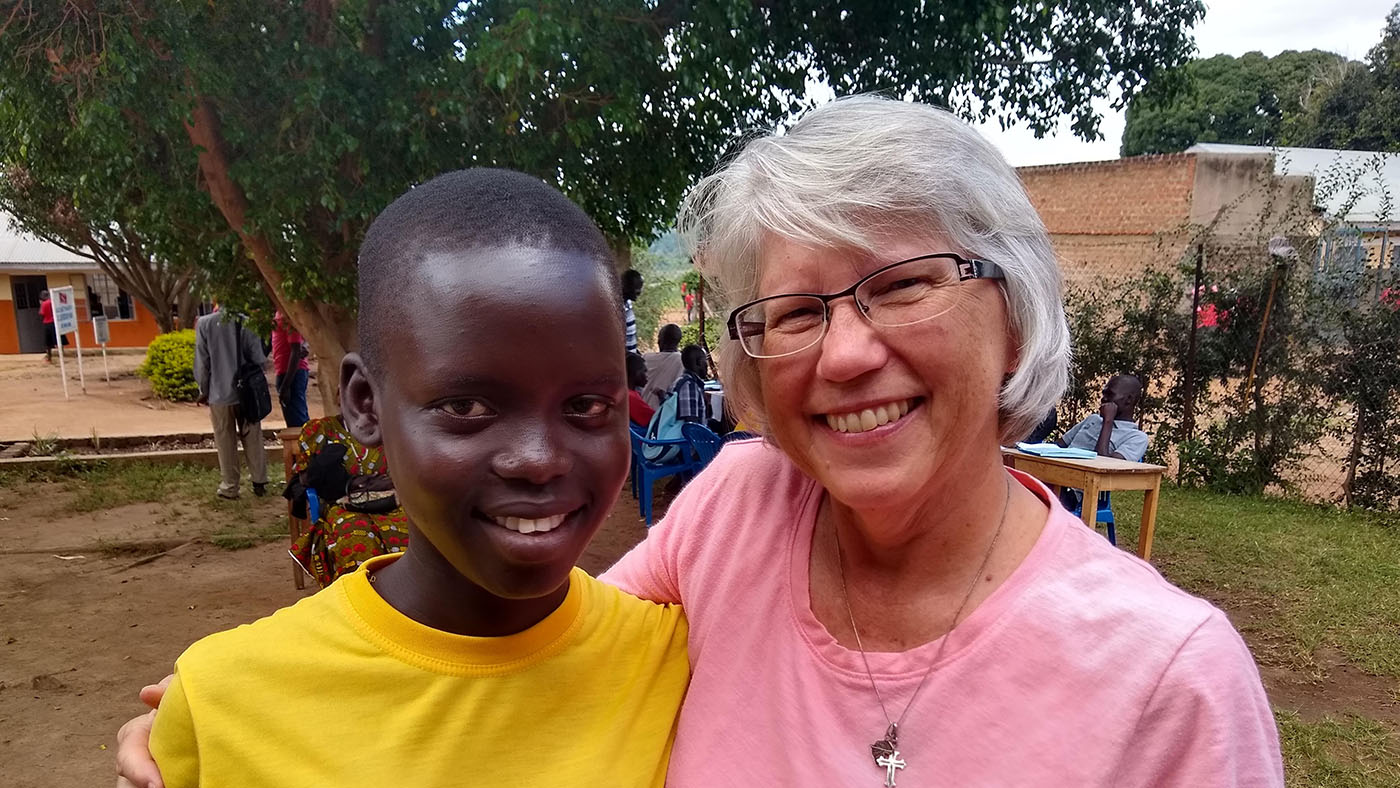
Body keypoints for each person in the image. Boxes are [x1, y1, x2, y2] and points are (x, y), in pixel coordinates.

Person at [121, 98, 1283, 787]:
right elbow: (528, 650)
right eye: (794, 310)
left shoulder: (1167, 679)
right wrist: (248, 705)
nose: (844, 352)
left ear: (1014, 309)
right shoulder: (736, 510)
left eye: (900, 285)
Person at [130, 170, 689, 788]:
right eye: (467, 407)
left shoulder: (681, 665)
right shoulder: (224, 707)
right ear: (365, 404)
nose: (538, 460)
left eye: (586, 405)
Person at [193, 307, 269, 500]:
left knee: (225, 441)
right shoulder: (247, 322)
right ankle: (259, 481)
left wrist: (203, 390)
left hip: (219, 394)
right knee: (253, 436)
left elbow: (202, 362)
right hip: (247, 394)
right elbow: (258, 358)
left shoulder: (204, 324)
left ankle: (230, 486)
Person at [1057, 374, 1149, 461]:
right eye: (1104, 394)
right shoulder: (1093, 419)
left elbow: (1104, 466)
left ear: (1129, 399)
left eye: (1110, 395)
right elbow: (1059, 445)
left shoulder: (1137, 437)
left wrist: (1108, 421)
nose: (1103, 399)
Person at [270, 310, 310, 428]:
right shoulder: (280, 314)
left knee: (298, 421)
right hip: (284, 371)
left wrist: (286, 386)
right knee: (293, 419)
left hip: (292, 373)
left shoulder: (288, 317)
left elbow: (295, 350)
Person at [641, 323, 684, 407]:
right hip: (668, 411)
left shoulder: (646, 358)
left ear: (660, 341)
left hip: (644, 409)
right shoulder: (682, 360)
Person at [669, 344, 709, 426]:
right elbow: (691, 425)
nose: (707, 365)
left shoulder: (681, 381)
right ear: (699, 362)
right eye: (705, 360)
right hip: (686, 434)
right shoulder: (689, 386)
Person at [626, 352, 656, 427]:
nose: (647, 376)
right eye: (644, 371)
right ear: (635, 373)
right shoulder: (630, 397)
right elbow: (655, 420)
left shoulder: (625, 393)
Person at [621, 268, 643, 354]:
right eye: (637, 288)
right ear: (627, 288)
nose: (640, 292)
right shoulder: (617, 310)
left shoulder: (628, 303)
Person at [38, 289, 60, 363]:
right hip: (54, 322)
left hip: (47, 323)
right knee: (57, 340)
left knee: (48, 343)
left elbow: (41, 314)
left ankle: (49, 358)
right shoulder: (52, 302)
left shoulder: (44, 304)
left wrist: (41, 305)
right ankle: (61, 355)